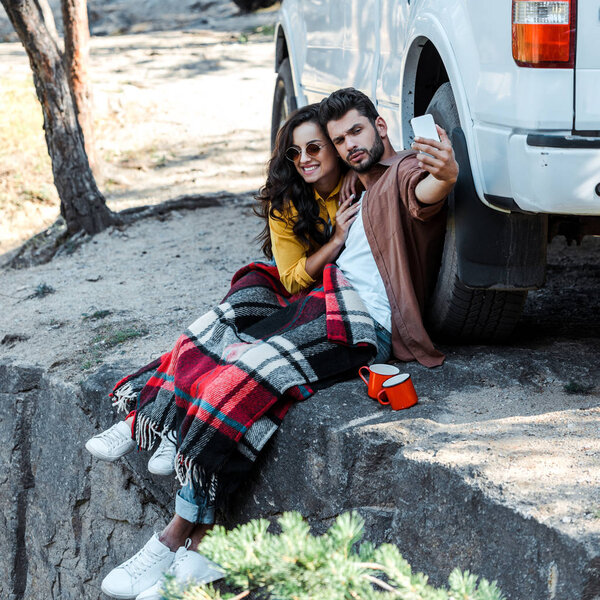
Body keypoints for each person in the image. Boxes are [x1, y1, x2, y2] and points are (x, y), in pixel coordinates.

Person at [96, 89, 458, 600]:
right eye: (340, 139)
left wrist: (443, 174)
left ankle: (174, 537)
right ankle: (201, 541)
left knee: (244, 373)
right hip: (327, 301)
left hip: (364, 322)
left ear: (381, 125)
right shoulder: (355, 181)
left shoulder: (399, 172)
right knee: (238, 358)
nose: (349, 145)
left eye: (356, 132)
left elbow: (427, 193)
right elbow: (297, 257)